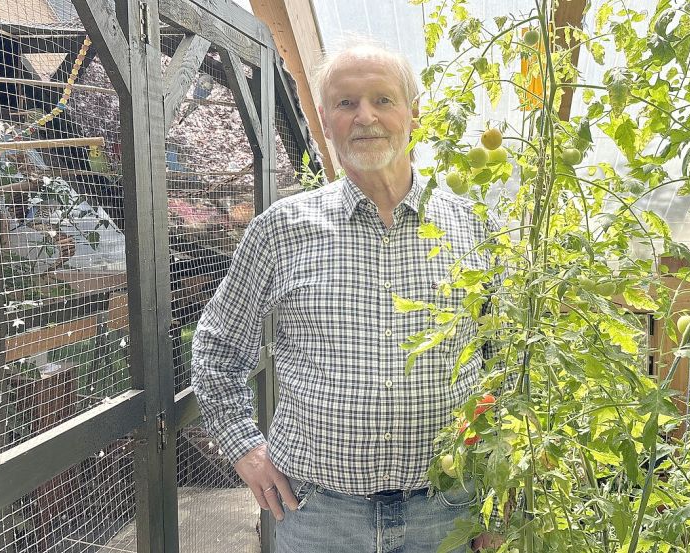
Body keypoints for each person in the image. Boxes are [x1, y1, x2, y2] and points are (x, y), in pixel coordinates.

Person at [191, 39, 502, 552]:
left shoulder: (474, 228)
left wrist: (498, 486)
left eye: (383, 99)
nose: (366, 117)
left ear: (413, 114)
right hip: (317, 516)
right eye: (345, 103)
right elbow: (218, 347)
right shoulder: (281, 230)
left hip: (446, 510)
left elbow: (506, 359)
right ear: (324, 119)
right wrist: (243, 447)